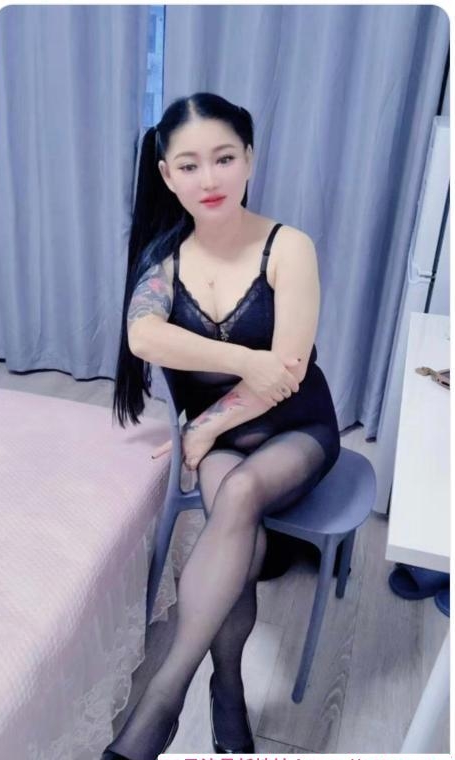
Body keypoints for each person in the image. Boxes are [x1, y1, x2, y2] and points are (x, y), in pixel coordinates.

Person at [105, 92, 340, 760]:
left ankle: (164, 698)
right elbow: (144, 337)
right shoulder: (165, 260)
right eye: (189, 165)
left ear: (250, 160)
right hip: (223, 440)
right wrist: (243, 363)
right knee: (239, 524)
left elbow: (286, 375)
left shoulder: (288, 247)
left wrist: (205, 429)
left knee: (236, 497)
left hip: (297, 429)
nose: (208, 178)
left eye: (224, 158)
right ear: (166, 175)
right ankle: (227, 686)